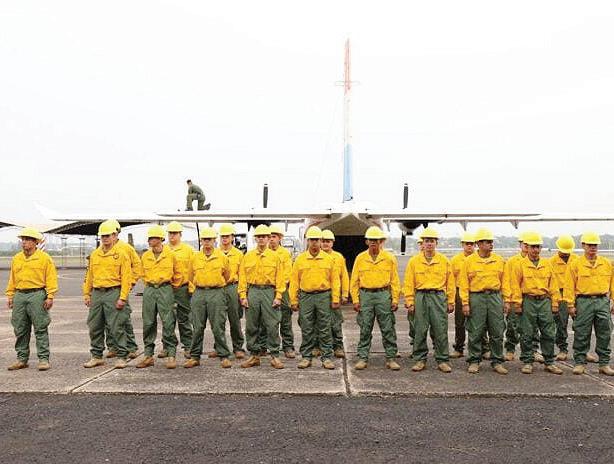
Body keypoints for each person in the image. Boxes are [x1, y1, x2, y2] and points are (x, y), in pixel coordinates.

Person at [509, 232, 563, 375]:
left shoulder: (547, 264)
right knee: (526, 333)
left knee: (548, 332)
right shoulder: (520, 265)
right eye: (533, 247)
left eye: (538, 247)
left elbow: (553, 284)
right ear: (527, 247)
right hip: (528, 301)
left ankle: (549, 362)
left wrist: (555, 302)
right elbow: (515, 285)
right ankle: (527, 361)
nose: (535, 250)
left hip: (544, 301)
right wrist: (517, 304)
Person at [5, 228, 58, 371]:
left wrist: (50, 296)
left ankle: (43, 359)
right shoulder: (17, 258)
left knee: (40, 327)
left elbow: (51, 278)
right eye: (23, 239)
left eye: (27, 240)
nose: (24, 242)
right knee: (20, 328)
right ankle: (22, 359)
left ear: (36, 242)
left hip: (37, 294)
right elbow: (12, 278)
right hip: (19, 295)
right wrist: (10, 295)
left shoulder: (44, 258)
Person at [458, 228, 509, 375]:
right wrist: (465, 303)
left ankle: (497, 361)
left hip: (494, 297)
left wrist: (506, 300)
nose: (491, 244)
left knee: (497, 331)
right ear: (479, 244)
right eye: (487, 242)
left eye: (491, 242)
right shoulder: (468, 262)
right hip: (476, 298)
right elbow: (464, 284)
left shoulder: (499, 260)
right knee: (475, 331)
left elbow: (505, 282)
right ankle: (474, 360)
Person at [403, 228, 455, 373]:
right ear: (422, 243)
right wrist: (410, 301)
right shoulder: (414, 261)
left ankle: (442, 360)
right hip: (421, 296)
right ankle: (420, 359)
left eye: (432, 241)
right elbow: (408, 283)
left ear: (436, 243)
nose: (429, 244)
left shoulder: (444, 261)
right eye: (427, 241)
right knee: (420, 329)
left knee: (440, 329)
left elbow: (450, 283)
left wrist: (450, 301)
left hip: (438, 297)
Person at [350, 226, 401, 371]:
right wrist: (355, 300)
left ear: (381, 241)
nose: (373, 242)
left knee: (387, 327)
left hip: (383, 295)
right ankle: (363, 357)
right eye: (371, 240)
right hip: (365, 295)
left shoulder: (389, 258)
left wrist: (395, 299)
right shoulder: (360, 258)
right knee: (365, 327)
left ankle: (391, 357)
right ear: (367, 241)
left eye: (376, 240)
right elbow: (354, 281)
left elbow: (395, 280)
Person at [83, 222, 132, 369]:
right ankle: (96, 356)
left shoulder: (121, 254)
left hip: (113, 292)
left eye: (107, 236)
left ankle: (122, 356)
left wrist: (122, 297)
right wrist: (87, 294)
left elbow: (126, 278)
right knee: (94, 326)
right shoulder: (95, 255)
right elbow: (90, 276)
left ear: (115, 236)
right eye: (102, 236)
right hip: (97, 293)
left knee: (116, 326)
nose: (104, 238)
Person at [563, 231, 614, 376]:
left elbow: (613, 283)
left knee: (605, 332)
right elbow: (569, 286)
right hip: (583, 301)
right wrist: (570, 305)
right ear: (583, 245)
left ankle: (604, 364)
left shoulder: (606, 263)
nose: (593, 247)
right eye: (590, 245)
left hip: (602, 300)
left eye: (595, 245)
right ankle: (580, 362)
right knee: (581, 332)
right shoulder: (575, 264)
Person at [289, 226, 340, 369]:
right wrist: (293, 300)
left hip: (324, 296)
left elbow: (335, 280)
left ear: (320, 241)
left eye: (317, 240)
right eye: (311, 240)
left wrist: (336, 298)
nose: (314, 243)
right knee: (306, 327)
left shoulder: (329, 259)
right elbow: (294, 281)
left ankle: (327, 357)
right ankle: (306, 356)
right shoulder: (300, 259)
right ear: (307, 241)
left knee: (325, 327)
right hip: (306, 297)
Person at [184, 227, 233, 369]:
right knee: (197, 326)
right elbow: (190, 276)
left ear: (214, 241)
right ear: (201, 241)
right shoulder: (194, 258)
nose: (207, 242)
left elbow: (227, 275)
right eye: (204, 240)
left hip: (216, 292)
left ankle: (223, 355)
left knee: (218, 326)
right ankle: (195, 356)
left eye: (209, 239)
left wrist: (215, 284)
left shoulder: (222, 257)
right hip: (199, 293)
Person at [238, 225, 286, 369]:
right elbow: (242, 277)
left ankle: (275, 356)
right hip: (253, 291)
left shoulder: (275, 257)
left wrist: (278, 296)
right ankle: (254, 355)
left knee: (272, 324)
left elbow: (280, 278)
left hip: (269, 291)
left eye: (264, 237)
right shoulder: (248, 256)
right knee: (252, 325)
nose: (261, 239)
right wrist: (243, 296)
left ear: (268, 238)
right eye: (259, 237)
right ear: (255, 239)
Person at [136, 226, 181, 369]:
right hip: (150, 290)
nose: (149, 241)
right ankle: (148, 355)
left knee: (168, 322)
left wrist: (170, 289)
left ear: (160, 239)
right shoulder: (145, 256)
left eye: (152, 238)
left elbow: (178, 274)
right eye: (149, 238)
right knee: (148, 322)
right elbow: (142, 274)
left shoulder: (170, 255)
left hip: (165, 289)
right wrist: (150, 285)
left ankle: (171, 355)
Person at [105, 219, 140, 359]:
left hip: (121, 289)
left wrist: (131, 283)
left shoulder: (126, 248)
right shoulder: (103, 249)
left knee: (124, 319)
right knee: (108, 319)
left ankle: (131, 347)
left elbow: (137, 266)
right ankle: (112, 347)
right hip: (107, 289)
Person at [165, 221, 194, 359]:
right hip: (167, 289)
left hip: (183, 289)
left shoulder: (188, 250)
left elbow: (193, 270)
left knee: (184, 318)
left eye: (175, 233)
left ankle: (188, 346)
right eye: (170, 233)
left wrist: (191, 288)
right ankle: (167, 346)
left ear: (180, 234)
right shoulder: (164, 249)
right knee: (167, 318)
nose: (172, 236)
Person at [218, 223, 246, 359]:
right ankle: (219, 347)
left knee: (235, 319)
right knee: (218, 320)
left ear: (232, 237)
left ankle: (238, 347)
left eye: (227, 236)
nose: (224, 238)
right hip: (218, 289)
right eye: (222, 236)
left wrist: (242, 293)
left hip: (232, 287)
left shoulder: (239, 254)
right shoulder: (215, 253)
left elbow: (242, 275)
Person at [549, 235, 578, 361]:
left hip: (575, 294)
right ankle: (562, 349)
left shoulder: (577, 260)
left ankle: (581, 350)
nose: (566, 253)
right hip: (560, 295)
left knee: (581, 324)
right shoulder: (551, 262)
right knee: (561, 324)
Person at [321, 229, 350, 358]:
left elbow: (344, 276)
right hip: (320, 294)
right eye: (323, 241)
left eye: (328, 241)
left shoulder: (338, 257)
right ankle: (318, 346)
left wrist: (345, 294)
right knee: (320, 322)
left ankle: (338, 346)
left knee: (336, 322)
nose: (325, 243)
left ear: (332, 243)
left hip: (335, 294)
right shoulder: (316, 257)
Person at [268, 225, 295, 358]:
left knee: (285, 319)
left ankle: (288, 346)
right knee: (266, 320)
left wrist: (279, 288)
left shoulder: (285, 254)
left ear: (280, 238)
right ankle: (264, 346)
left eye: (274, 237)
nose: (271, 239)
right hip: (268, 290)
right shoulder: (264, 253)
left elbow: (287, 273)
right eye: (269, 237)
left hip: (282, 290)